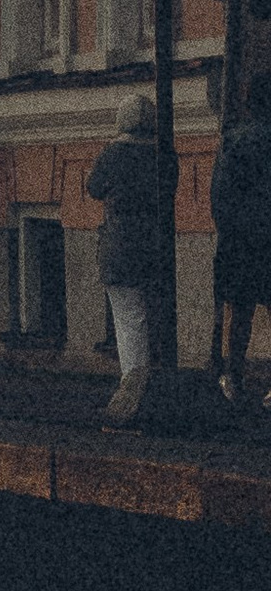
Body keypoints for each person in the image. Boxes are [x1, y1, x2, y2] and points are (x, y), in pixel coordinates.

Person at [87, 89, 172, 423]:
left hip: (120, 244)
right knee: (158, 312)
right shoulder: (163, 154)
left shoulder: (113, 154)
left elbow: (94, 188)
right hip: (156, 242)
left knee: (128, 316)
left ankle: (133, 387)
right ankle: (160, 380)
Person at [209, 94, 271, 402]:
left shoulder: (233, 141)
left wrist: (229, 232)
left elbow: (219, 196)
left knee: (238, 311)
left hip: (239, 242)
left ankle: (233, 379)